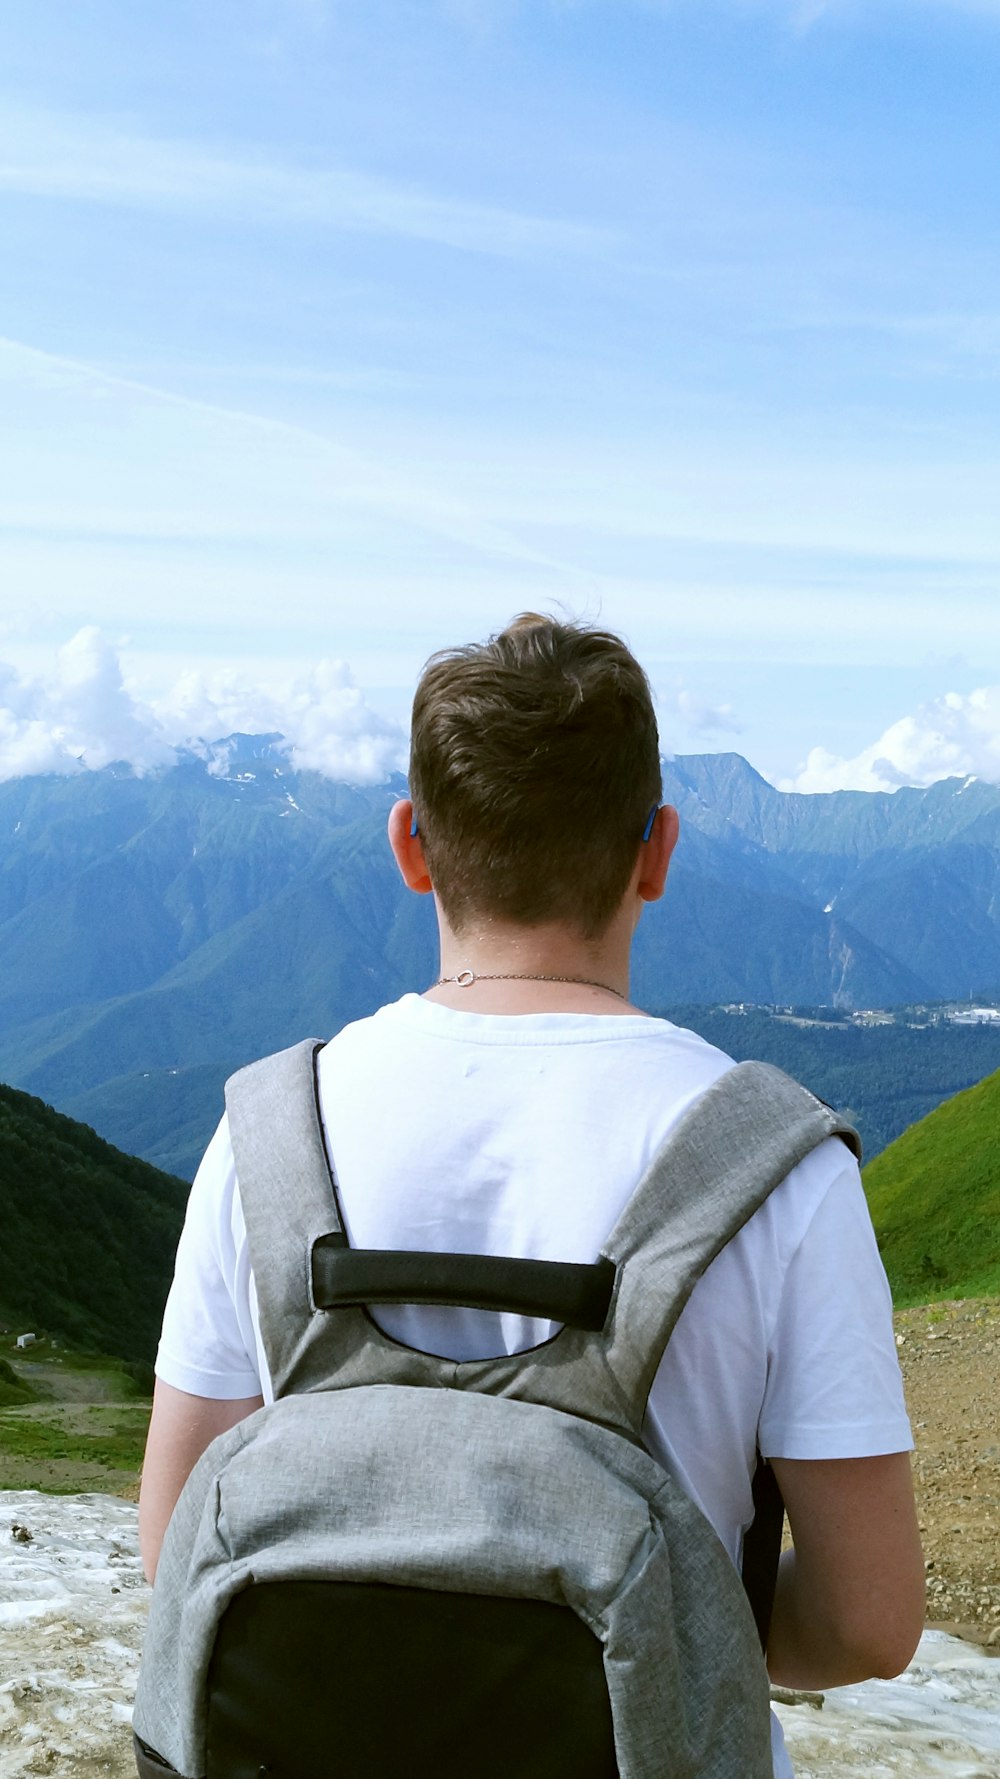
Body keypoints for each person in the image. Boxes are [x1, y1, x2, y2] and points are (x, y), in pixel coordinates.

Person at [139, 613, 924, 1778]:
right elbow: (868, 1622)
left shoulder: (264, 1138)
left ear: (411, 846)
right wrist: (673, 1628)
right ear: (655, 852)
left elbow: (175, 1545)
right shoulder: (780, 1170)